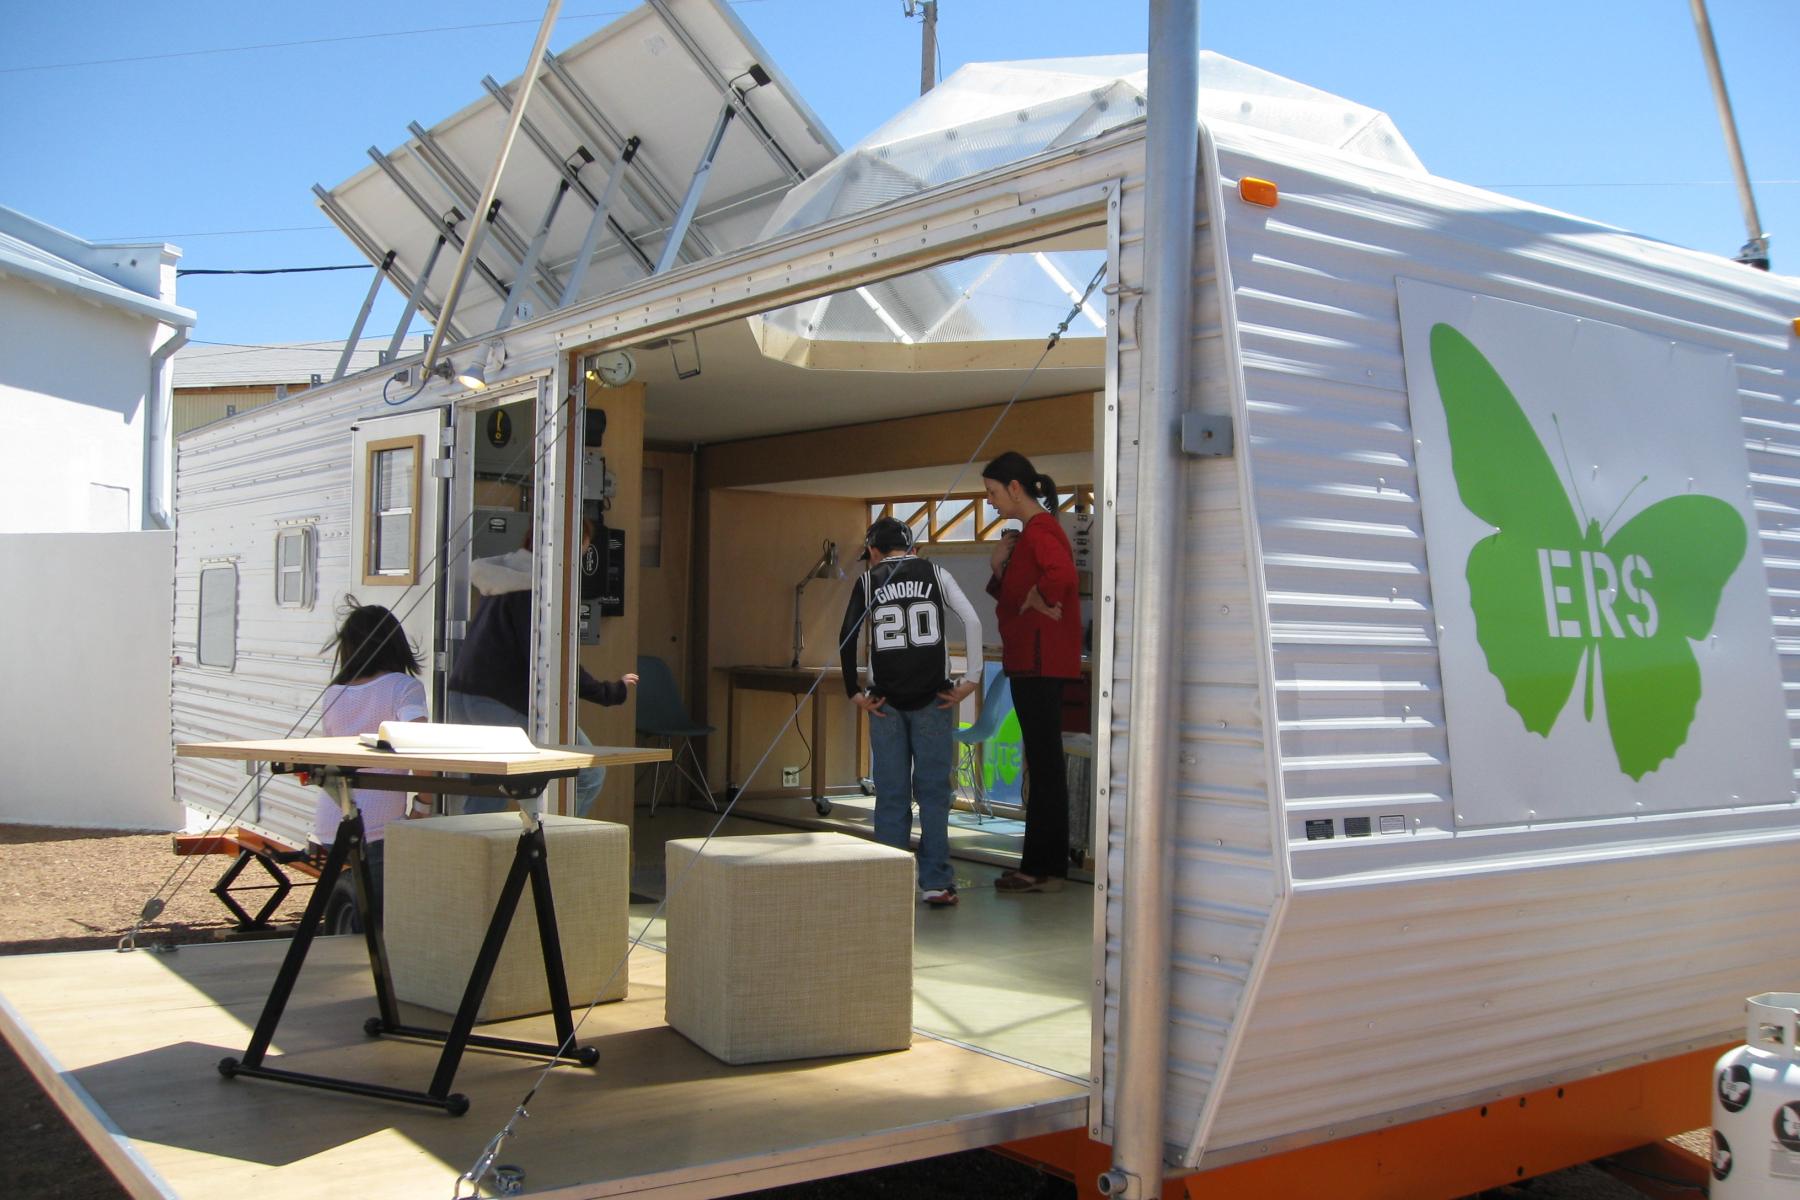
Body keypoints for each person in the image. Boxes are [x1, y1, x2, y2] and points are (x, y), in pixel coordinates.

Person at [447, 522, 637, 817]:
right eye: (584, 547)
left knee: (489, 792)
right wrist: (611, 691)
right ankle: (551, 850)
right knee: (587, 775)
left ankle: (477, 859)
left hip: (463, 699)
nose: (584, 555)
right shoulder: (537, 591)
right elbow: (553, 661)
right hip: (501, 703)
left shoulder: (503, 580)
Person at [839, 516, 982, 907]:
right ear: (913, 548)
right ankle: (936, 880)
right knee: (934, 794)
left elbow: (847, 636)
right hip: (935, 699)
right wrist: (970, 679)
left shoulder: (868, 580)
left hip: (884, 702)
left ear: (872, 552)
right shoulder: (935, 573)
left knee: (891, 792)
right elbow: (971, 619)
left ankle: (889, 881)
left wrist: (854, 690)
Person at [982, 451, 1082, 893]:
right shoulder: (1031, 534)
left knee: (1043, 767)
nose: (990, 502)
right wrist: (998, 567)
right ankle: (1042, 864)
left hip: (1040, 663)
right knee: (1040, 765)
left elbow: (1062, 574)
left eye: (992, 493)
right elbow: (1014, 595)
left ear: (1015, 488)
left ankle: (1045, 868)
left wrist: (1040, 599)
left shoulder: (1043, 530)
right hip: (1029, 661)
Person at [314, 599, 430, 922]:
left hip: (330, 819)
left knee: (341, 915)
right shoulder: (403, 688)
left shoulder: (333, 692)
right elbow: (421, 748)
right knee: (376, 927)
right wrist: (422, 807)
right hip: (378, 825)